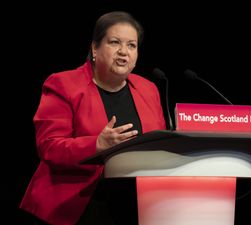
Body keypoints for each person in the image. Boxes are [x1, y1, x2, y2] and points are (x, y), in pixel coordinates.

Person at [20, 11, 166, 225]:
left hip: (137, 204)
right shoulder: (63, 84)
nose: (123, 52)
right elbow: (49, 147)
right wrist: (96, 145)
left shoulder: (148, 89)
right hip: (78, 205)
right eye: (115, 42)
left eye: (131, 45)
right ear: (94, 48)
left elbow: (158, 142)